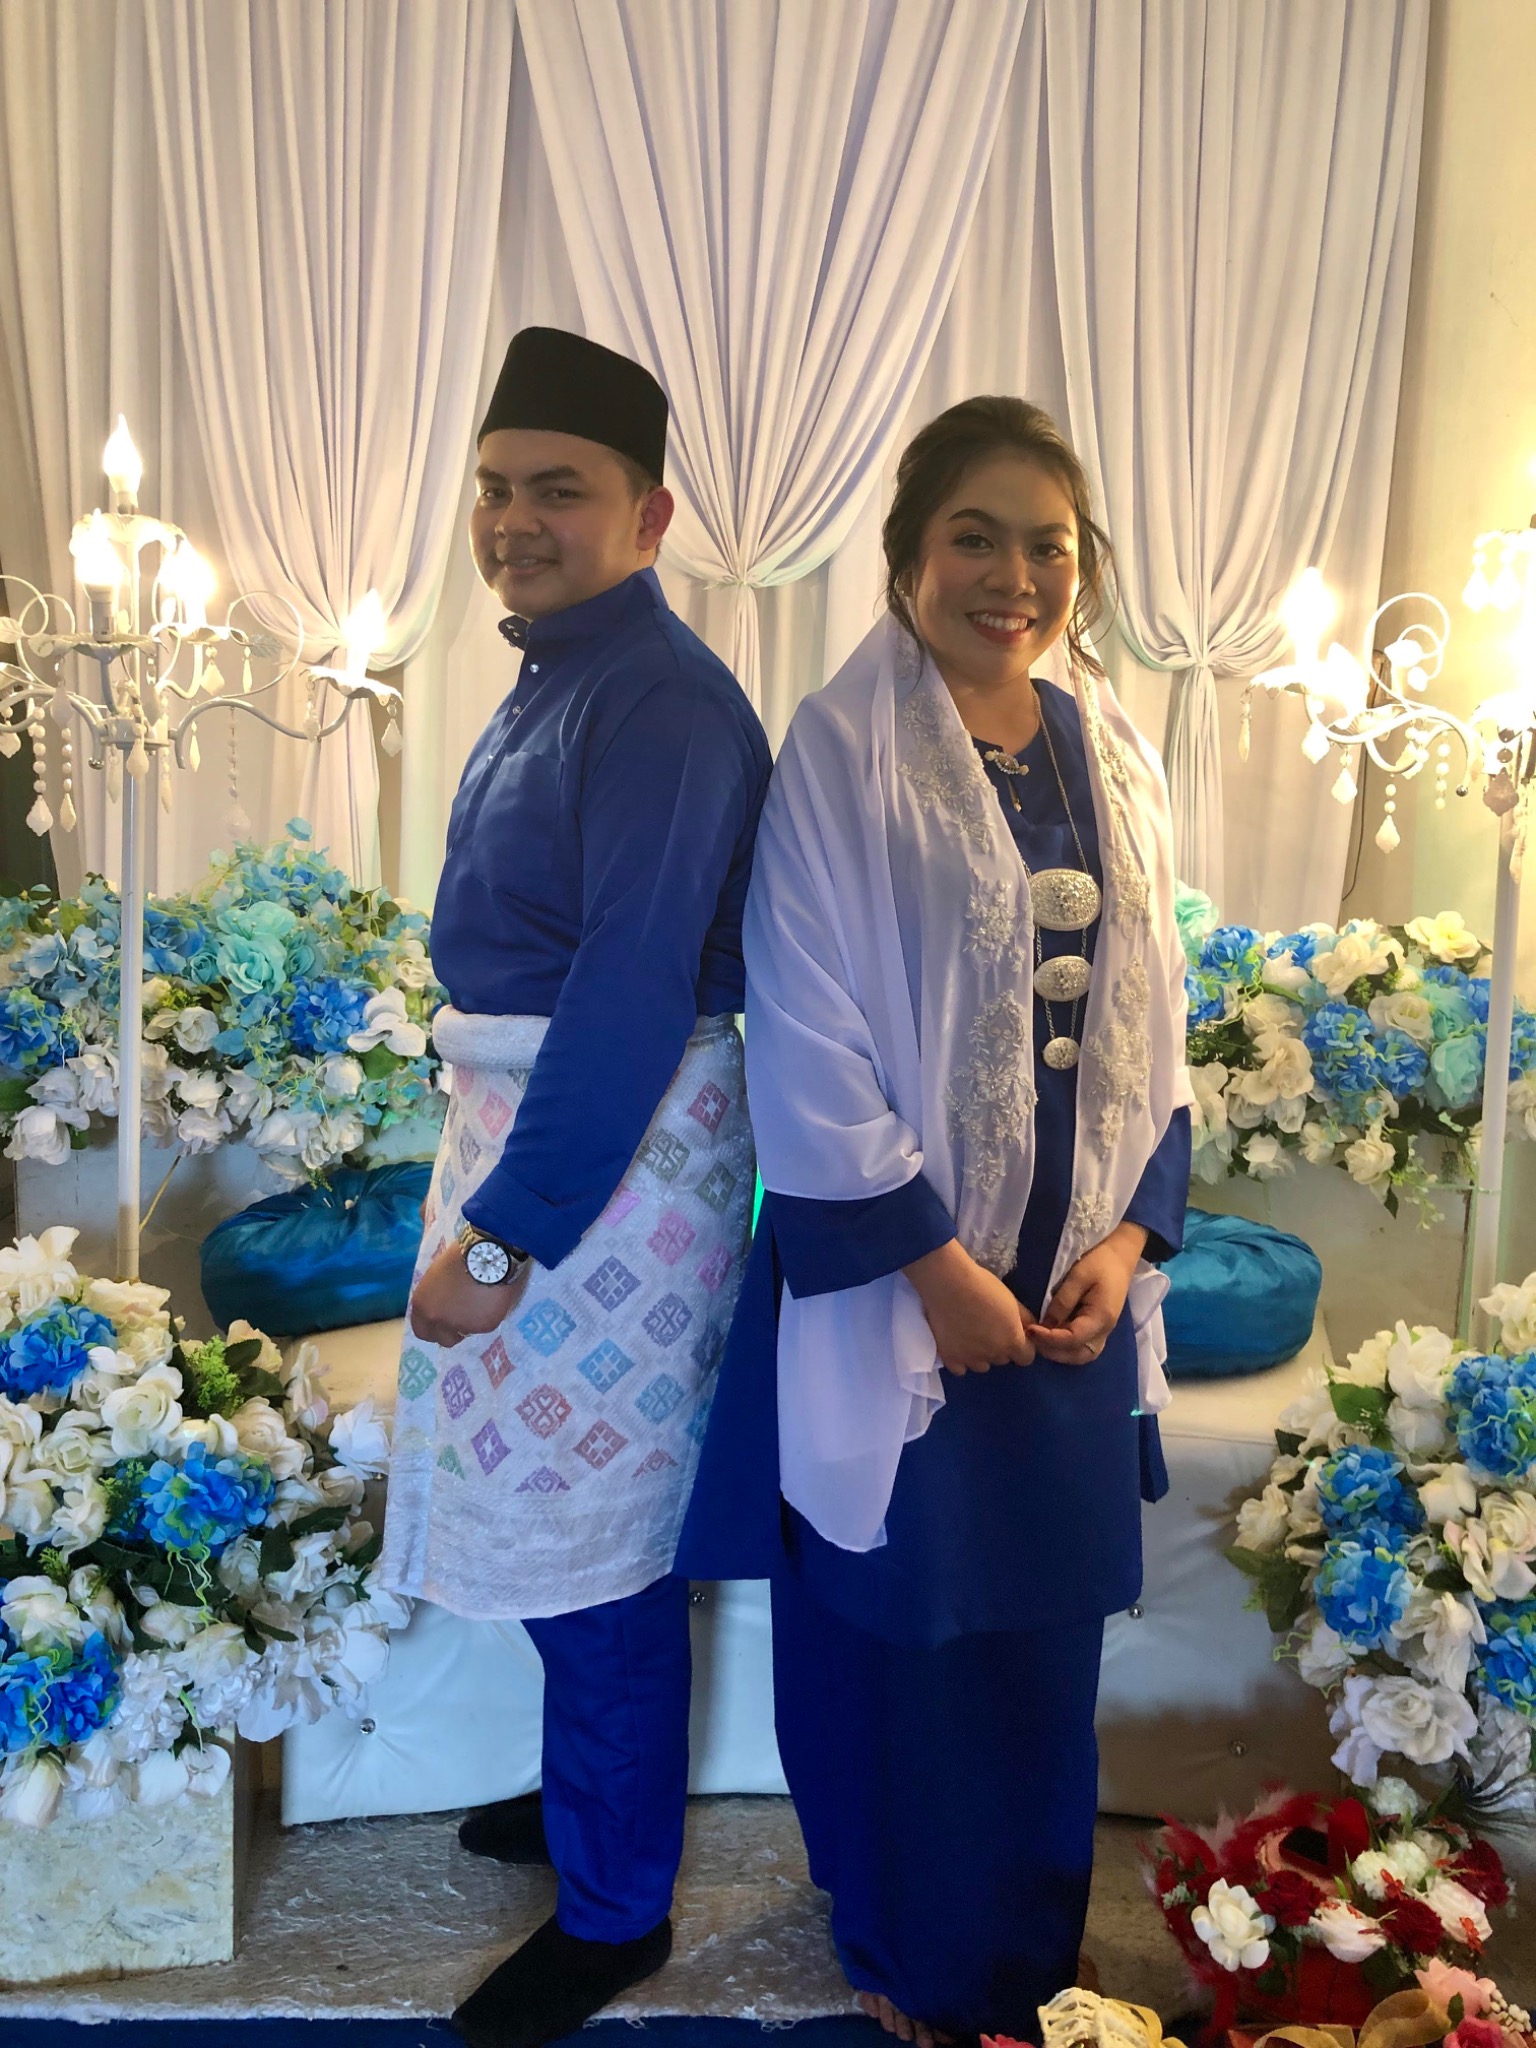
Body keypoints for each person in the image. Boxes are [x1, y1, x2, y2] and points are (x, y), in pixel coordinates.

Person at [680, 396, 1194, 2046]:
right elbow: (804, 1021)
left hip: (1072, 1287)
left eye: (1047, 544)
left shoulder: (1114, 748)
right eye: (976, 536)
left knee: (1039, 1637)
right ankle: (902, 1941)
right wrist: (931, 1267)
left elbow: (1162, 1019)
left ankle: (1028, 1952)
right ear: (910, 554)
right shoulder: (844, 747)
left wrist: (1130, 1240)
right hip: (905, 1279)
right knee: (895, 1628)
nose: (1013, 576)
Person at [378, 327, 771, 2048]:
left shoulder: (660, 698)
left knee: (599, 1538)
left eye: (560, 489)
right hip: (546, 1132)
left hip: (617, 1169)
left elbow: (627, 987)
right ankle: (588, 1799)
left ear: (649, 514)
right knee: (556, 1515)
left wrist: (506, 1235)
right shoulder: (565, 668)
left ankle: (617, 1911)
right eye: (494, 488)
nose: (515, 520)